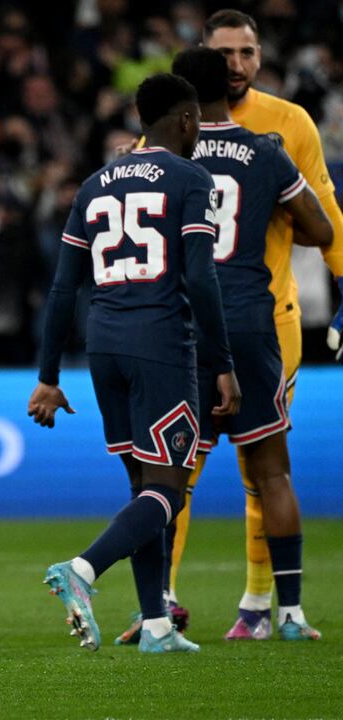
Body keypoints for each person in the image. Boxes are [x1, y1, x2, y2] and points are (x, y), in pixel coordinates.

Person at [113, 48, 333, 646]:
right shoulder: (266, 151)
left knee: (167, 478)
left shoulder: (151, 158)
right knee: (271, 473)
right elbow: (322, 231)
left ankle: (155, 609)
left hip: (179, 328)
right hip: (251, 322)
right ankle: (288, 613)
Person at [30, 73, 240, 653]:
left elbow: (62, 288)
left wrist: (48, 375)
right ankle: (84, 569)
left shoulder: (95, 183)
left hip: (104, 347)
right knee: (169, 490)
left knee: (143, 488)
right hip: (162, 345)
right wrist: (221, 361)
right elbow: (200, 277)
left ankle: (155, 625)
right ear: (188, 119)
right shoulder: (191, 178)